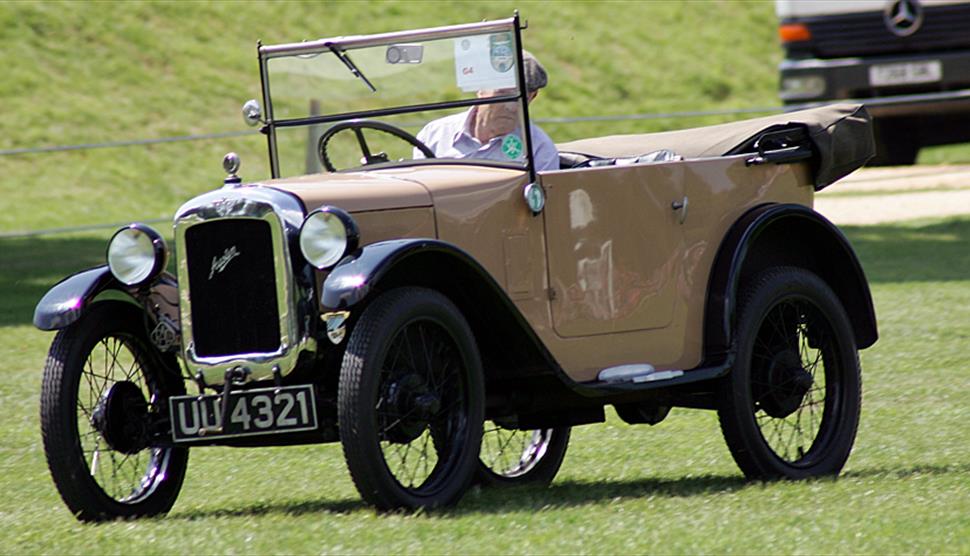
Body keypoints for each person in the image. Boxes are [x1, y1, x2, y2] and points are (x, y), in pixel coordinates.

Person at [414, 51, 559, 171]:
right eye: (502, 94)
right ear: (480, 89)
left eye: (522, 98)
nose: (512, 107)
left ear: (532, 98)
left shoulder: (538, 149)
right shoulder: (435, 135)